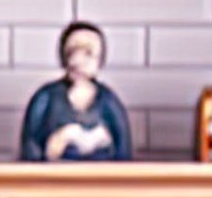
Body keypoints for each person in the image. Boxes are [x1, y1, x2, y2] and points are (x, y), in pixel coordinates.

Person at [19, 23, 133, 164]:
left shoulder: (109, 101)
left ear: (100, 59)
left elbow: (123, 153)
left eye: (88, 53)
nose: (78, 61)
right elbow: (30, 149)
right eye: (72, 52)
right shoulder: (45, 98)